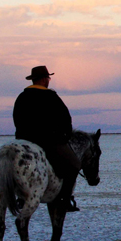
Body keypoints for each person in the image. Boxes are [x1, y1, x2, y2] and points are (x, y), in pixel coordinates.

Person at [12, 65, 81, 212]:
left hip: (25, 142)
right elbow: (65, 120)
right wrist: (64, 136)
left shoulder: (22, 97)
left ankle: (20, 196)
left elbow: (16, 119)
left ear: (33, 80)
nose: (49, 80)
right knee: (74, 165)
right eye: (48, 78)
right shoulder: (51, 97)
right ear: (44, 79)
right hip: (49, 142)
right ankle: (64, 199)